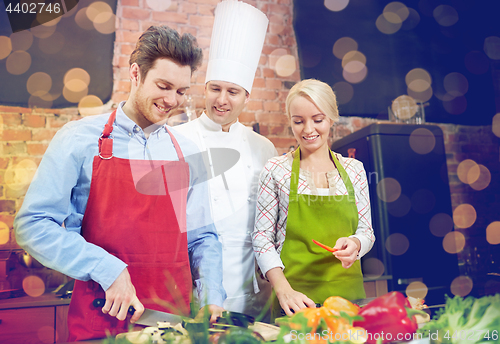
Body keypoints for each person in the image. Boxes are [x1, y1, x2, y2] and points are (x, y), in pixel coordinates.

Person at [14, 25, 226, 341]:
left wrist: (210, 292)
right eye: (164, 86)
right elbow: (32, 225)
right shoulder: (78, 140)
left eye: (181, 91)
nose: (172, 100)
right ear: (136, 74)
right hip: (100, 323)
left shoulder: (188, 153)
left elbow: (201, 238)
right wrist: (106, 268)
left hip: (175, 328)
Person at [175, 0, 276, 321]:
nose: (221, 100)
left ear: (247, 96)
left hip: (253, 291)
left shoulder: (263, 148)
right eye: (215, 89)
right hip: (194, 292)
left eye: (232, 91)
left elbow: (272, 222)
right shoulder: (178, 140)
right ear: (204, 89)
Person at [252, 79, 375, 320]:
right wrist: (283, 290)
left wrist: (356, 244)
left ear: (331, 118)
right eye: (298, 121)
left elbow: (367, 231)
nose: (308, 130)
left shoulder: (354, 169)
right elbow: (261, 237)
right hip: (295, 300)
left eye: (317, 120)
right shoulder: (276, 169)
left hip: (348, 298)